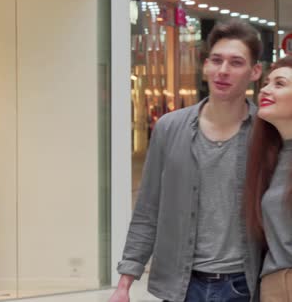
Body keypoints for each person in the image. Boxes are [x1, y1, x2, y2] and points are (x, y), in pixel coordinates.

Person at [109, 19, 263, 302]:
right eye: (216, 60)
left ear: (255, 71)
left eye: (236, 63)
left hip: (244, 285)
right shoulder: (169, 128)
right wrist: (125, 280)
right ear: (205, 65)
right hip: (181, 286)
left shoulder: (266, 133)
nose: (223, 71)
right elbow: (148, 208)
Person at [244, 55, 292, 301]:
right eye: (266, 82)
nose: (265, 89)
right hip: (272, 284)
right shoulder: (273, 155)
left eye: (279, 84)